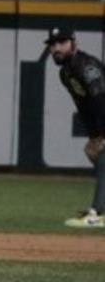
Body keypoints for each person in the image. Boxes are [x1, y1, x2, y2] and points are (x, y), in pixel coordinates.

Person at [46, 27, 105, 228]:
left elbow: (100, 100)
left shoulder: (85, 66)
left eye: (62, 42)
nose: (56, 48)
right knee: (94, 151)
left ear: (74, 42)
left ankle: (98, 212)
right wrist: (95, 136)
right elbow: (84, 107)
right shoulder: (65, 73)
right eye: (52, 44)